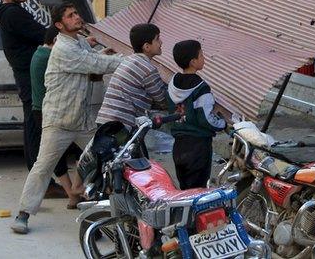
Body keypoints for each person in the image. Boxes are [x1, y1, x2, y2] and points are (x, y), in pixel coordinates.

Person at [11, 3, 122, 235]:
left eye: (76, 13)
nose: (77, 17)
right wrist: (131, 59)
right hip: (59, 120)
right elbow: (95, 64)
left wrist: (107, 53)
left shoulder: (78, 42)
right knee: (43, 166)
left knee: (103, 157)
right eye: (71, 16)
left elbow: (92, 59)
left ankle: (79, 195)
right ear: (60, 26)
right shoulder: (63, 48)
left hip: (81, 120)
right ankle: (23, 214)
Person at [0, 0, 45, 171]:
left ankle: (39, 174)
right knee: (35, 126)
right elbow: (42, 35)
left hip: (26, 75)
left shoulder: (9, 11)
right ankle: (39, 176)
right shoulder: (14, 13)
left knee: (33, 124)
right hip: (29, 76)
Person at [29, 26, 84, 208]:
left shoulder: (39, 54)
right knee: (80, 152)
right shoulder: (50, 57)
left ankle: (72, 195)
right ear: (55, 41)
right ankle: (74, 192)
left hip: (41, 110)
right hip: (53, 112)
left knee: (56, 157)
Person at [168, 40, 227, 189]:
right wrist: (223, 124)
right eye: (201, 55)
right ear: (193, 62)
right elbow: (206, 119)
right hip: (198, 146)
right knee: (198, 190)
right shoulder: (201, 88)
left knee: (185, 189)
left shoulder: (173, 83)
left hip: (179, 146)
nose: (204, 58)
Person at [96, 23, 169, 130]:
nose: (161, 42)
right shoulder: (148, 69)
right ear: (147, 47)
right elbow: (163, 101)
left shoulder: (129, 60)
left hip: (106, 120)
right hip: (120, 125)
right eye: (157, 39)